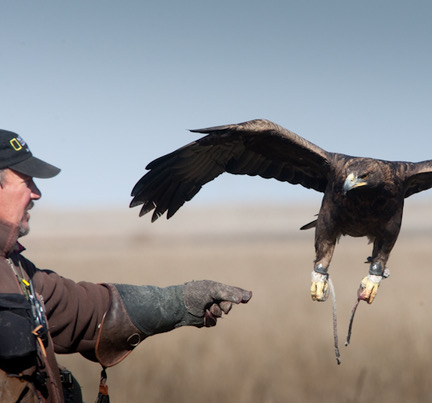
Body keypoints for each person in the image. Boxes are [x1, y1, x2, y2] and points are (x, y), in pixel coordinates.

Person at [0, 130, 252, 402]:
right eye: (26, 181)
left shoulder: (17, 270)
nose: (36, 193)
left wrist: (179, 302)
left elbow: (84, 311)